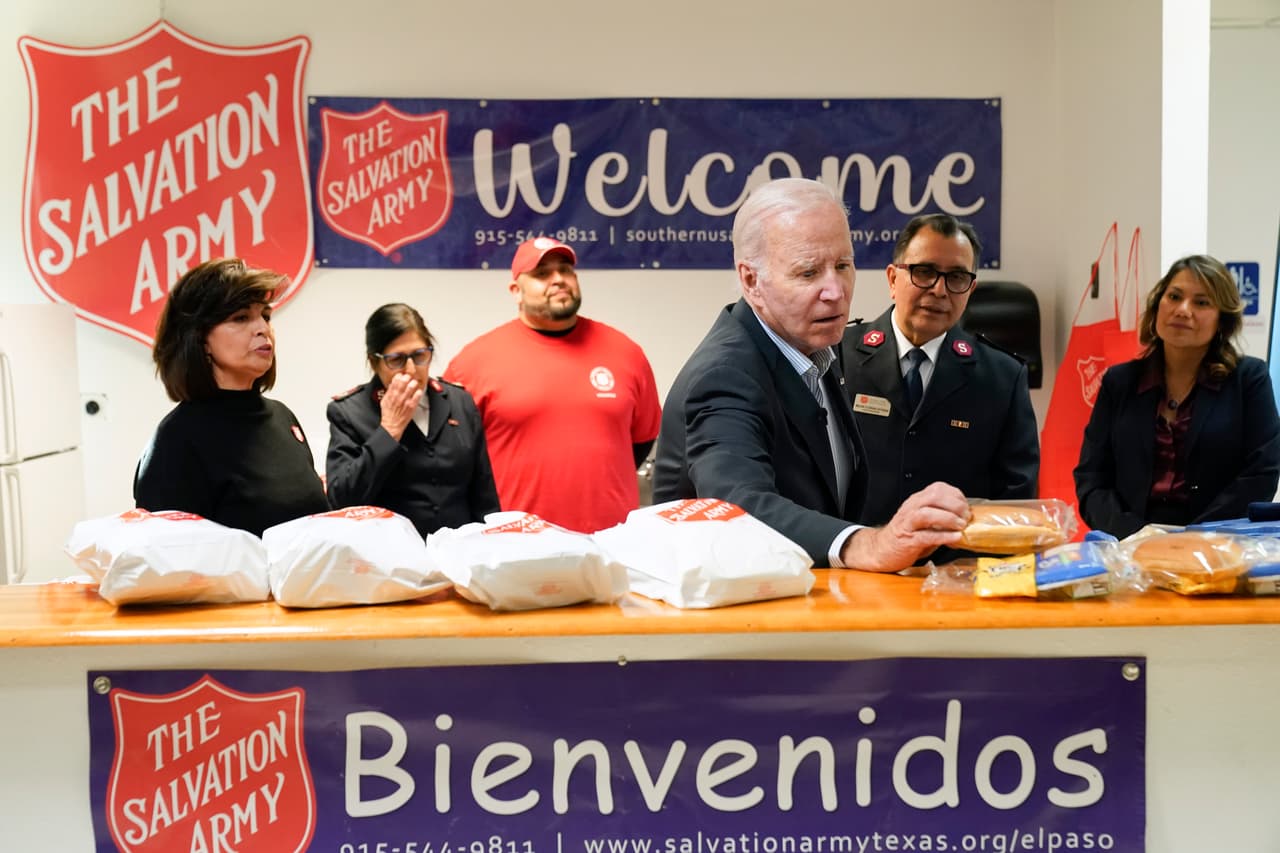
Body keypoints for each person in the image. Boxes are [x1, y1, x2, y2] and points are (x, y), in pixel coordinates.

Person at [653, 178, 970, 571]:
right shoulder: (725, 374)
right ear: (751, 280)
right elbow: (736, 503)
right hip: (736, 620)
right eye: (808, 273)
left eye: (843, 265)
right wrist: (865, 545)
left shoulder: (815, 347)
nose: (835, 291)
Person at [443, 237, 662, 533]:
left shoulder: (626, 353)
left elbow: (641, 441)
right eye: (542, 273)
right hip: (516, 544)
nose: (558, 279)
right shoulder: (472, 364)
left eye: (566, 270)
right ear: (515, 291)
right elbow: (452, 461)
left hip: (611, 543)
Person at [839, 214, 1038, 527]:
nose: (939, 290)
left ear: (970, 289)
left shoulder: (1003, 377)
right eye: (924, 272)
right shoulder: (836, 357)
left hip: (956, 566)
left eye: (956, 277)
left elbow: (1015, 499)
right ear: (892, 279)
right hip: (856, 563)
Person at [1074, 255, 1280, 537]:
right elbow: (1091, 479)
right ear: (1158, 304)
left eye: (1201, 302)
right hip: (1129, 546)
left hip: (1218, 546)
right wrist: (1133, 535)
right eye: (1174, 296)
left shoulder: (1248, 379)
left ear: (1222, 320)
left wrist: (1194, 537)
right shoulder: (1119, 382)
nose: (1183, 310)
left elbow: (1261, 475)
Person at [134, 258, 328, 536]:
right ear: (200, 339)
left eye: (266, 316)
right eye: (240, 318)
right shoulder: (177, 438)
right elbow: (167, 559)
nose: (262, 328)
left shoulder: (283, 417)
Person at [325, 304, 500, 536]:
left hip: (460, 554)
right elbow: (342, 500)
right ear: (374, 362)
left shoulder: (460, 402)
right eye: (396, 360)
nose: (411, 370)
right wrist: (389, 430)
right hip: (390, 558)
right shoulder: (349, 412)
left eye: (419, 356)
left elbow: (484, 497)